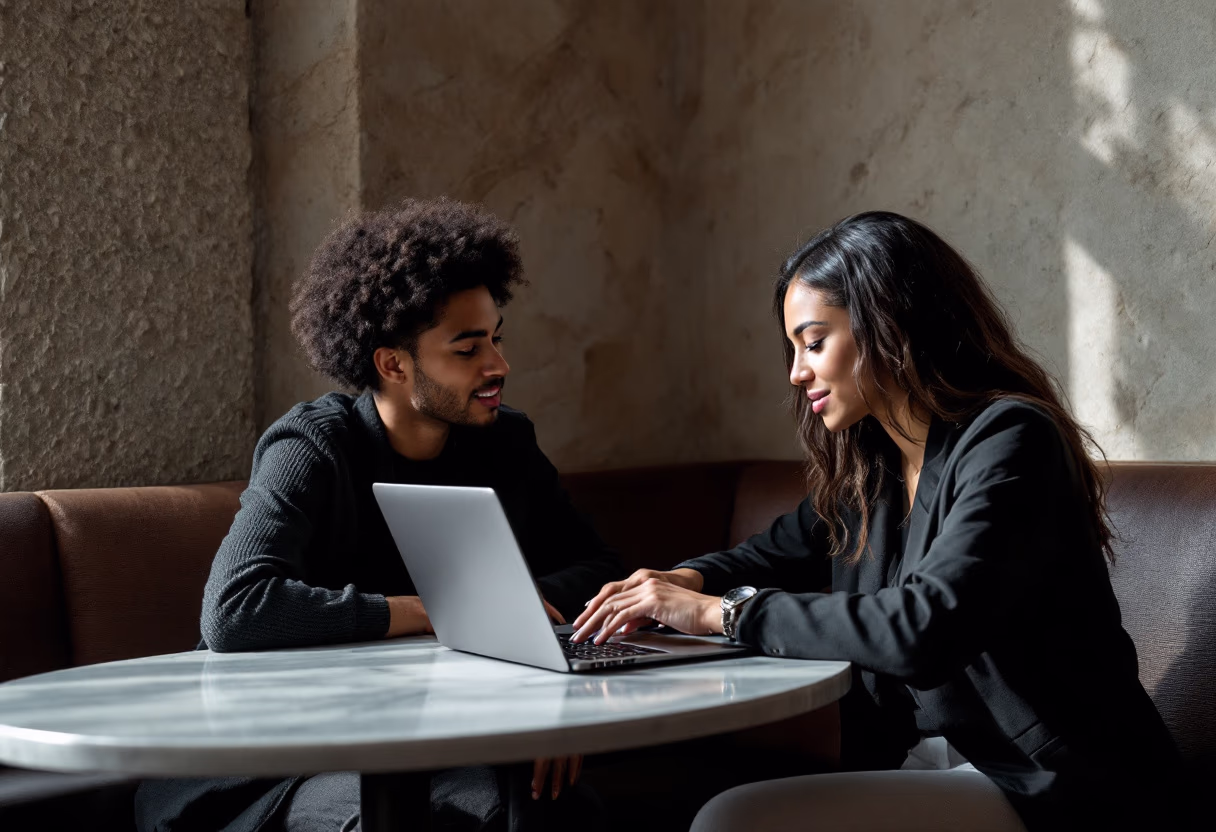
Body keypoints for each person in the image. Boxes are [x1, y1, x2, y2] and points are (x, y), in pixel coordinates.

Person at [572, 211, 1182, 831]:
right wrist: (678, 582)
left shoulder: (1013, 439)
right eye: (793, 349)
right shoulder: (877, 466)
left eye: (813, 343)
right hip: (931, 766)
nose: (796, 371)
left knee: (733, 820)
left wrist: (721, 613)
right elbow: (772, 552)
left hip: (1052, 784)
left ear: (889, 323)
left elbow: (923, 627)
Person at [135, 198, 622, 832]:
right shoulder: (314, 446)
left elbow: (599, 568)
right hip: (273, 759)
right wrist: (439, 611)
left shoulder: (506, 443)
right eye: (468, 349)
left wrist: (546, 678)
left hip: (432, 738)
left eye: (497, 339)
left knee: (551, 807)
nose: (498, 365)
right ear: (393, 364)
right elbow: (235, 609)